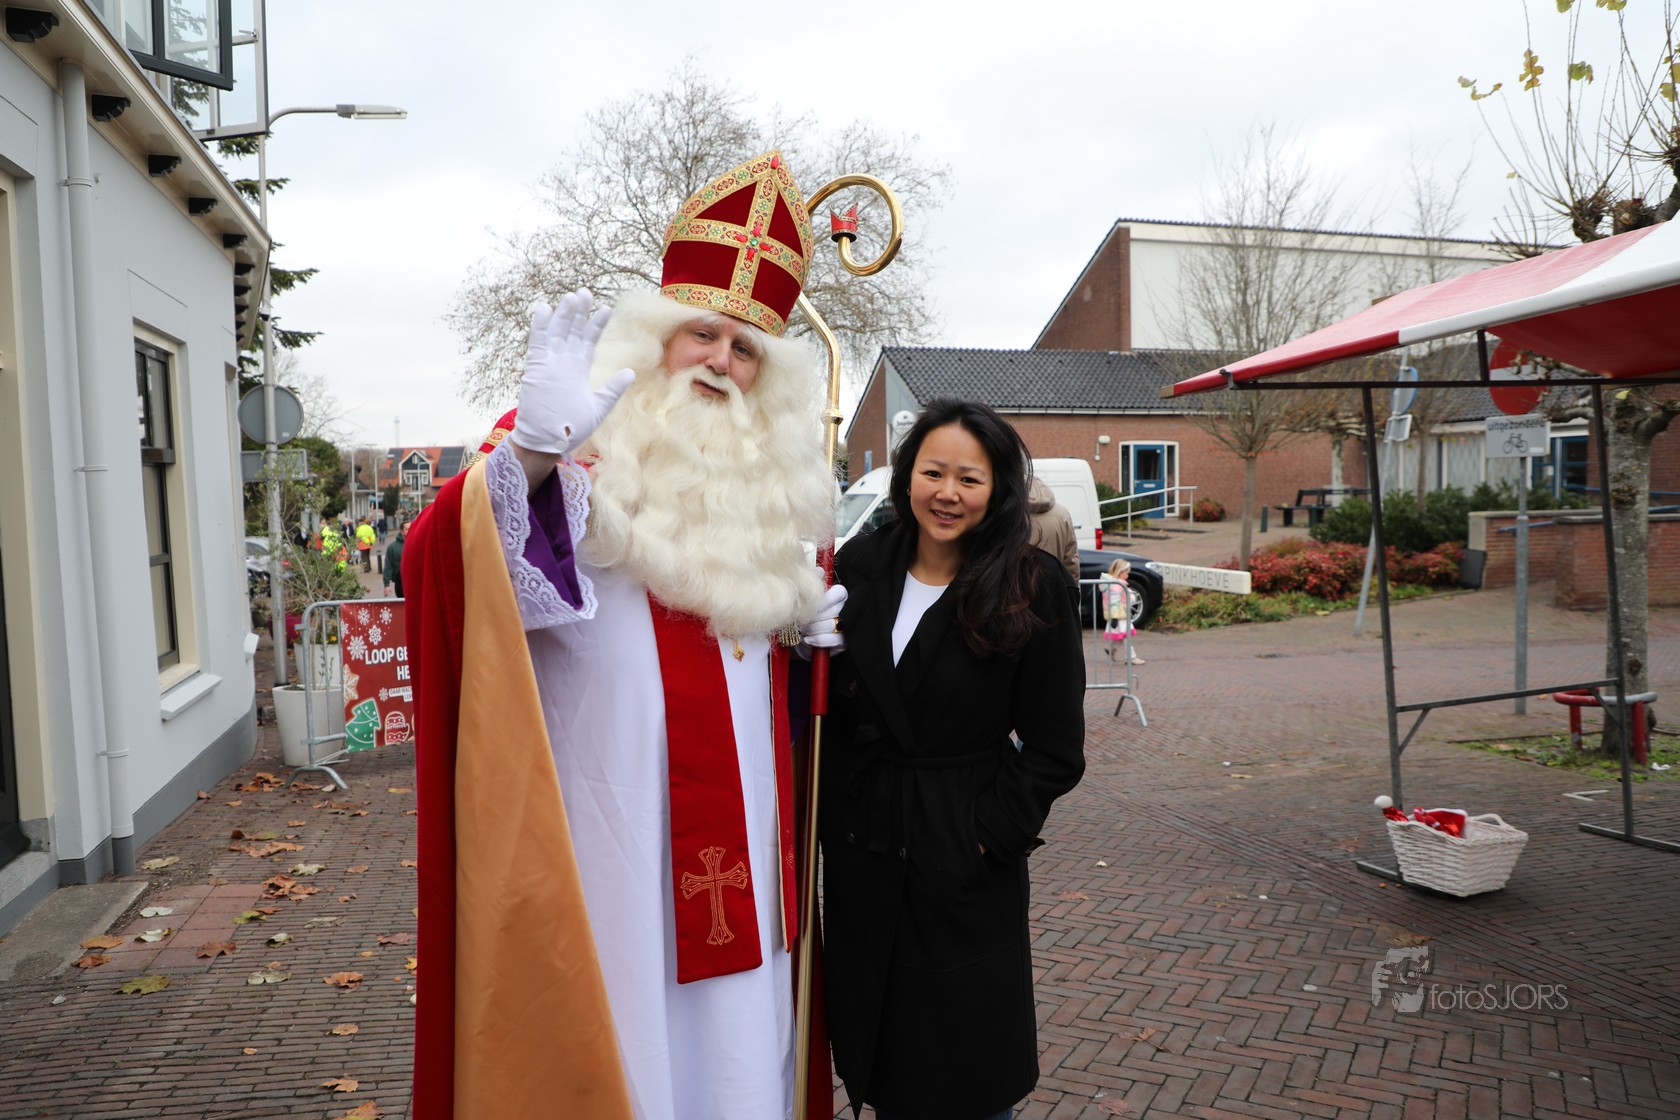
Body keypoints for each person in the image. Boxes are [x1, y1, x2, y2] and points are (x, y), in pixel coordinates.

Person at [404, 151, 842, 1120]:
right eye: (703, 333)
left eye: (745, 351)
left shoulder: (772, 499)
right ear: (656, 337)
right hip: (607, 846)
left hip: (744, 857)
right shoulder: (571, 440)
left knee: (740, 1059)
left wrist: (798, 617)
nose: (720, 362)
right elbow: (449, 569)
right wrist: (533, 454)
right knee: (622, 1038)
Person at [819, 397, 1087, 1120]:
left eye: (969, 479)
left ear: (997, 489)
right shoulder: (858, 567)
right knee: (884, 1062)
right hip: (864, 851)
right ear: (907, 475)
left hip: (959, 857)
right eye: (933, 472)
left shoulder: (1030, 584)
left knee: (963, 1072)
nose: (947, 493)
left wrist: (984, 837)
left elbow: (1055, 749)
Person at [1026, 475, 1078, 583]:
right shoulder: (1063, 514)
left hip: (1019, 588)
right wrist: (1072, 589)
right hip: (1055, 586)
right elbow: (1071, 562)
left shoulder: (1010, 514)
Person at [1100, 557, 1142, 664]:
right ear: (1120, 572)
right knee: (1126, 636)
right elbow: (1114, 602)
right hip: (1119, 614)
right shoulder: (1117, 585)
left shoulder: (1110, 583)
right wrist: (1114, 616)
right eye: (1127, 573)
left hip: (1117, 614)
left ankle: (1111, 649)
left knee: (1119, 634)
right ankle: (1131, 657)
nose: (1128, 575)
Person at [381, 523, 405, 598]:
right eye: (407, 529)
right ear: (402, 531)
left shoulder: (417, 543)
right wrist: (386, 584)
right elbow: (388, 566)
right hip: (400, 583)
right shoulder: (392, 547)